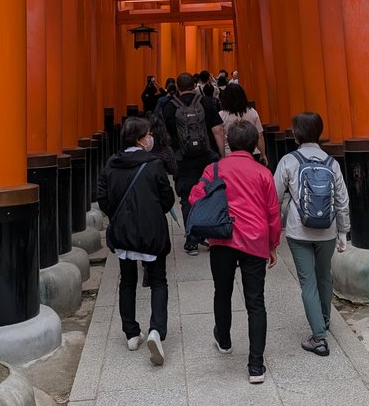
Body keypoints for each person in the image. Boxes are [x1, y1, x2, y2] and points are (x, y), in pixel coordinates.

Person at [189, 120, 281, 384]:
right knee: (256, 302)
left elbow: (196, 198)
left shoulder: (214, 168)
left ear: (228, 142)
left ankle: (225, 340)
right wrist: (272, 245)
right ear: (254, 144)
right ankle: (255, 366)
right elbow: (273, 213)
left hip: (223, 239)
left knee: (223, 291)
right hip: (254, 241)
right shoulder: (263, 172)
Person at [97, 117, 175, 365]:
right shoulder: (153, 165)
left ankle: (131, 333)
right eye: (149, 133)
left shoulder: (111, 164)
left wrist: (119, 218)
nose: (151, 137)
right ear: (142, 138)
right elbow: (167, 199)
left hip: (123, 234)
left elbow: (103, 199)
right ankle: (156, 330)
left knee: (127, 281)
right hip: (151, 233)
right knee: (158, 280)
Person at [273, 112, 350, 358]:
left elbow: (274, 196)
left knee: (307, 281)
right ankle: (324, 320)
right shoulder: (332, 162)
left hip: (299, 230)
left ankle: (319, 337)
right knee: (324, 276)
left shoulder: (289, 160)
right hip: (327, 230)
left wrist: (273, 229)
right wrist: (343, 232)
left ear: (297, 133)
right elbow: (342, 201)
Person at [162, 71, 225, 255]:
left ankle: (192, 240)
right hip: (207, 158)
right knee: (210, 194)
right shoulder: (206, 103)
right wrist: (221, 155)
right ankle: (211, 234)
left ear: (178, 87)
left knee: (187, 198)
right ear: (193, 84)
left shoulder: (169, 107)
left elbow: (164, 136)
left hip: (182, 160)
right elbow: (218, 130)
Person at [219, 82, 265, 159]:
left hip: (230, 154)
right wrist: (263, 154)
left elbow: (221, 139)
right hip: (253, 153)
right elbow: (259, 136)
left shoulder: (221, 115)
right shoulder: (252, 112)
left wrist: (222, 157)